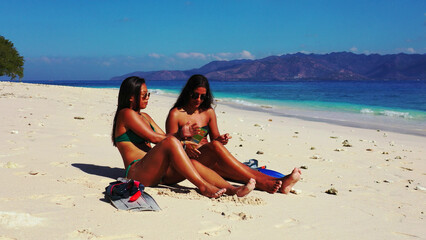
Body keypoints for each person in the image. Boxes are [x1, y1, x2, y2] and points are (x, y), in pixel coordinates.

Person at [112, 76, 255, 199]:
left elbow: (164, 136)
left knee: (193, 163)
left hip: (156, 171)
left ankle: (232, 190)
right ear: (131, 97)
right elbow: (156, 138)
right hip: (137, 172)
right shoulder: (126, 113)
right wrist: (180, 136)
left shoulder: (145, 116)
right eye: (144, 95)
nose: (148, 98)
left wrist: (185, 139)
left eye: (148, 94)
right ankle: (203, 186)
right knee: (171, 142)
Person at [166, 74, 301, 194]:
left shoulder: (208, 112)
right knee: (236, 167)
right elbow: (169, 146)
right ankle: (270, 183)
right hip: (190, 159)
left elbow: (215, 139)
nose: (199, 100)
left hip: (210, 157)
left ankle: (280, 182)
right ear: (187, 92)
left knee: (238, 170)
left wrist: (221, 139)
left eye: (203, 96)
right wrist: (183, 137)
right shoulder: (176, 114)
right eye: (195, 95)